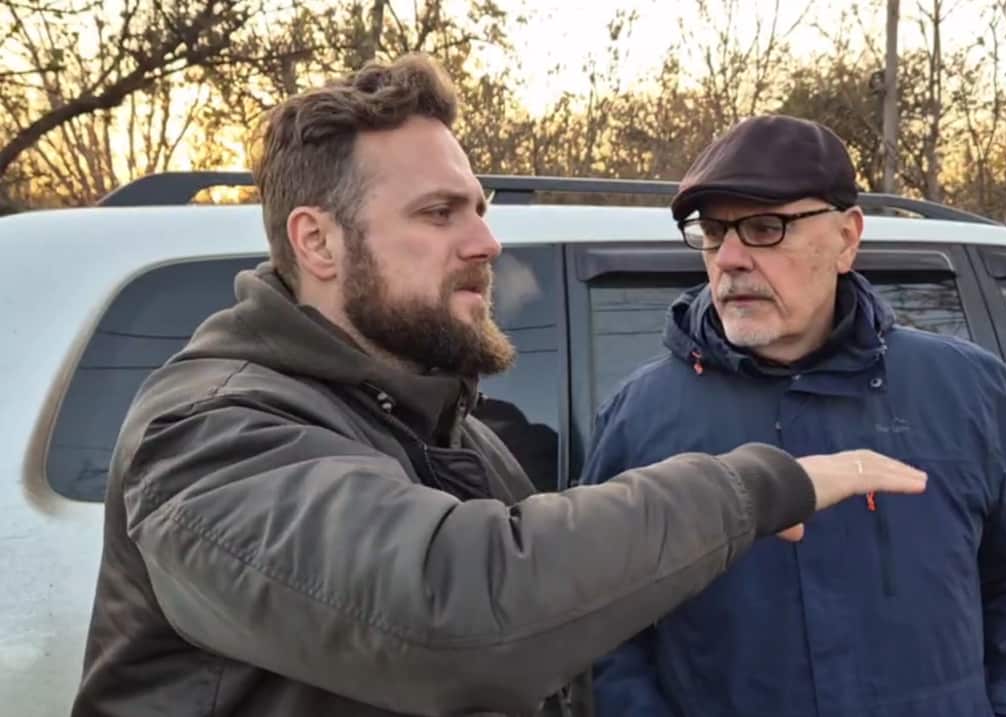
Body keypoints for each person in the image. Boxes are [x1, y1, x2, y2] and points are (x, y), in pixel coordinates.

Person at [68, 58, 928, 717]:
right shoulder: (210, 433)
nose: (486, 241)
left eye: (479, 207)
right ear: (318, 243)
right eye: (440, 214)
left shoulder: (448, 426)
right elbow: (462, 606)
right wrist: (756, 483)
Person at [583, 114, 1006, 717]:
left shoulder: (966, 390)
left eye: (765, 227)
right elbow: (602, 628)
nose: (731, 258)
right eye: (714, 232)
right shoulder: (641, 417)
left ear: (847, 239)